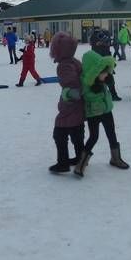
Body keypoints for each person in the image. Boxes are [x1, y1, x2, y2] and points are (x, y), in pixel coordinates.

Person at [76, 49, 130, 176]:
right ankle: (81, 163)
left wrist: (105, 81)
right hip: (94, 113)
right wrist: (97, 90)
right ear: (94, 72)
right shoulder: (86, 82)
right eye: (103, 72)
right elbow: (86, 95)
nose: (106, 75)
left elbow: (106, 90)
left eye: (107, 72)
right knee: (94, 137)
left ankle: (115, 158)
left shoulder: (102, 80)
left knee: (111, 133)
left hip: (106, 110)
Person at [47, 32, 85, 174]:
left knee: (59, 134)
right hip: (79, 106)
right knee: (77, 133)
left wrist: (68, 95)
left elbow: (73, 85)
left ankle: (63, 163)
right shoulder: (74, 61)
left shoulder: (64, 65)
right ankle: (80, 158)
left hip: (70, 106)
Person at [90, 28, 122, 101]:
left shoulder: (94, 38)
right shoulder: (100, 39)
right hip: (103, 62)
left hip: (97, 61)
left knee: (99, 79)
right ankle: (113, 95)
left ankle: (99, 95)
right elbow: (105, 51)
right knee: (109, 79)